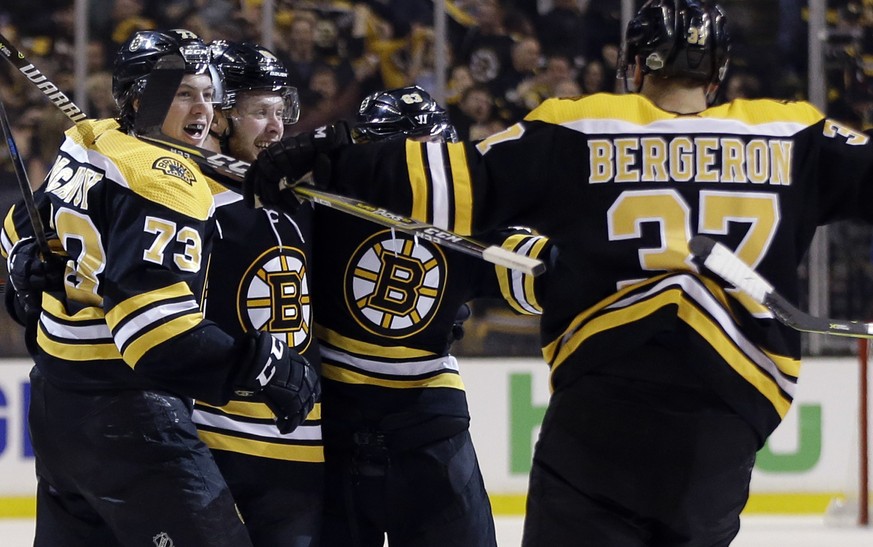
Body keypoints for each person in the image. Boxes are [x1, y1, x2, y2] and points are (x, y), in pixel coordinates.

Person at [242, 1, 873, 545]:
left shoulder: (581, 125)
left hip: (606, 392)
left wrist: (336, 154)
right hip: (728, 407)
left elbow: (455, 185)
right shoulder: (794, 132)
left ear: (634, 65)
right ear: (719, 71)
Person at [1, 29, 318, 546]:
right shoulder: (167, 179)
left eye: (205, 92)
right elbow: (155, 336)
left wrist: (24, 260)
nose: (201, 107)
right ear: (139, 101)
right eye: (181, 93)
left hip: (56, 406)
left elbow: (18, 221)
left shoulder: (93, 139)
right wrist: (261, 367)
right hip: (127, 412)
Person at [310, 85, 551, 547]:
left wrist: (570, 268)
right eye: (415, 155)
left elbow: (528, 271)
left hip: (422, 421)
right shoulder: (319, 204)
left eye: (436, 152)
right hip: (334, 423)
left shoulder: (464, 214)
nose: (427, 169)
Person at [195, 39, 323, 547]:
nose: (276, 128)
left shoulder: (301, 196)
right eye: (259, 113)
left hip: (300, 436)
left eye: (280, 112)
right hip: (210, 432)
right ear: (220, 116)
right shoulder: (186, 195)